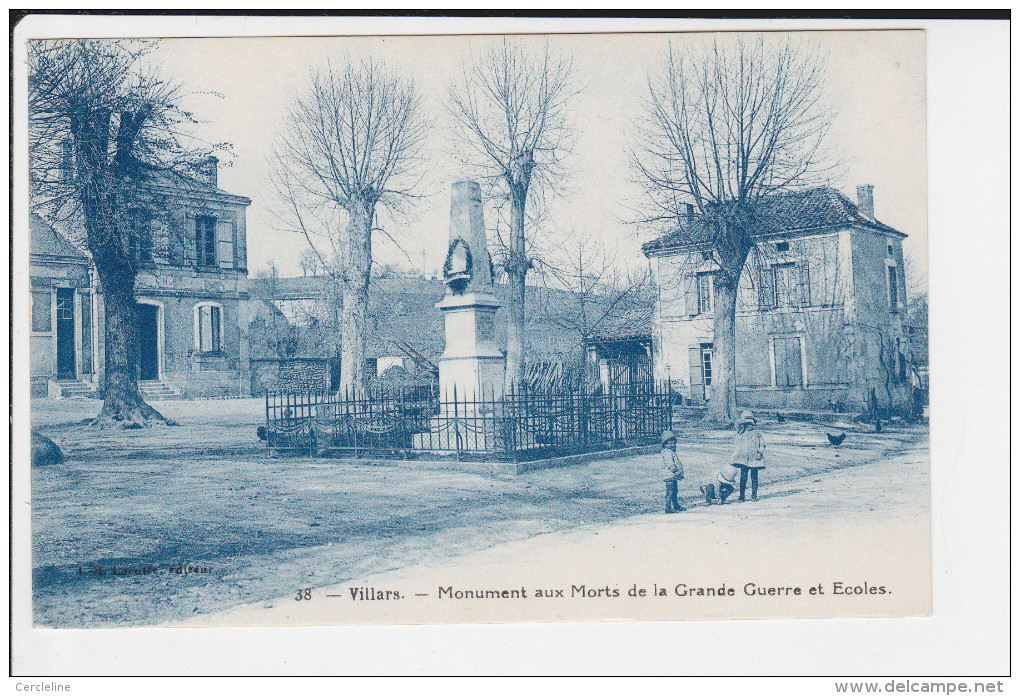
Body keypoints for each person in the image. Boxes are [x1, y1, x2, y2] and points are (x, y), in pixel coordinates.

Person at [732, 410, 765, 501]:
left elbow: (762, 444)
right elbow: (737, 424)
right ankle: (741, 496)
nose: (749, 426)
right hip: (744, 458)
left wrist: (760, 452)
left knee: (754, 477)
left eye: (751, 424)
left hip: (754, 458)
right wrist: (742, 421)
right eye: (746, 424)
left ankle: (754, 495)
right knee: (743, 477)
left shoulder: (757, 433)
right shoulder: (741, 432)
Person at [660, 430, 685, 513]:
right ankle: (668, 508)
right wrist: (676, 471)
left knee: (674, 491)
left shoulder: (670, 452)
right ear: (665, 444)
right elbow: (670, 464)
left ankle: (676, 505)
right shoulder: (667, 453)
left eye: (674, 443)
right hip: (669, 475)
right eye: (670, 443)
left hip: (673, 476)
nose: (672, 445)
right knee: (670, 492)